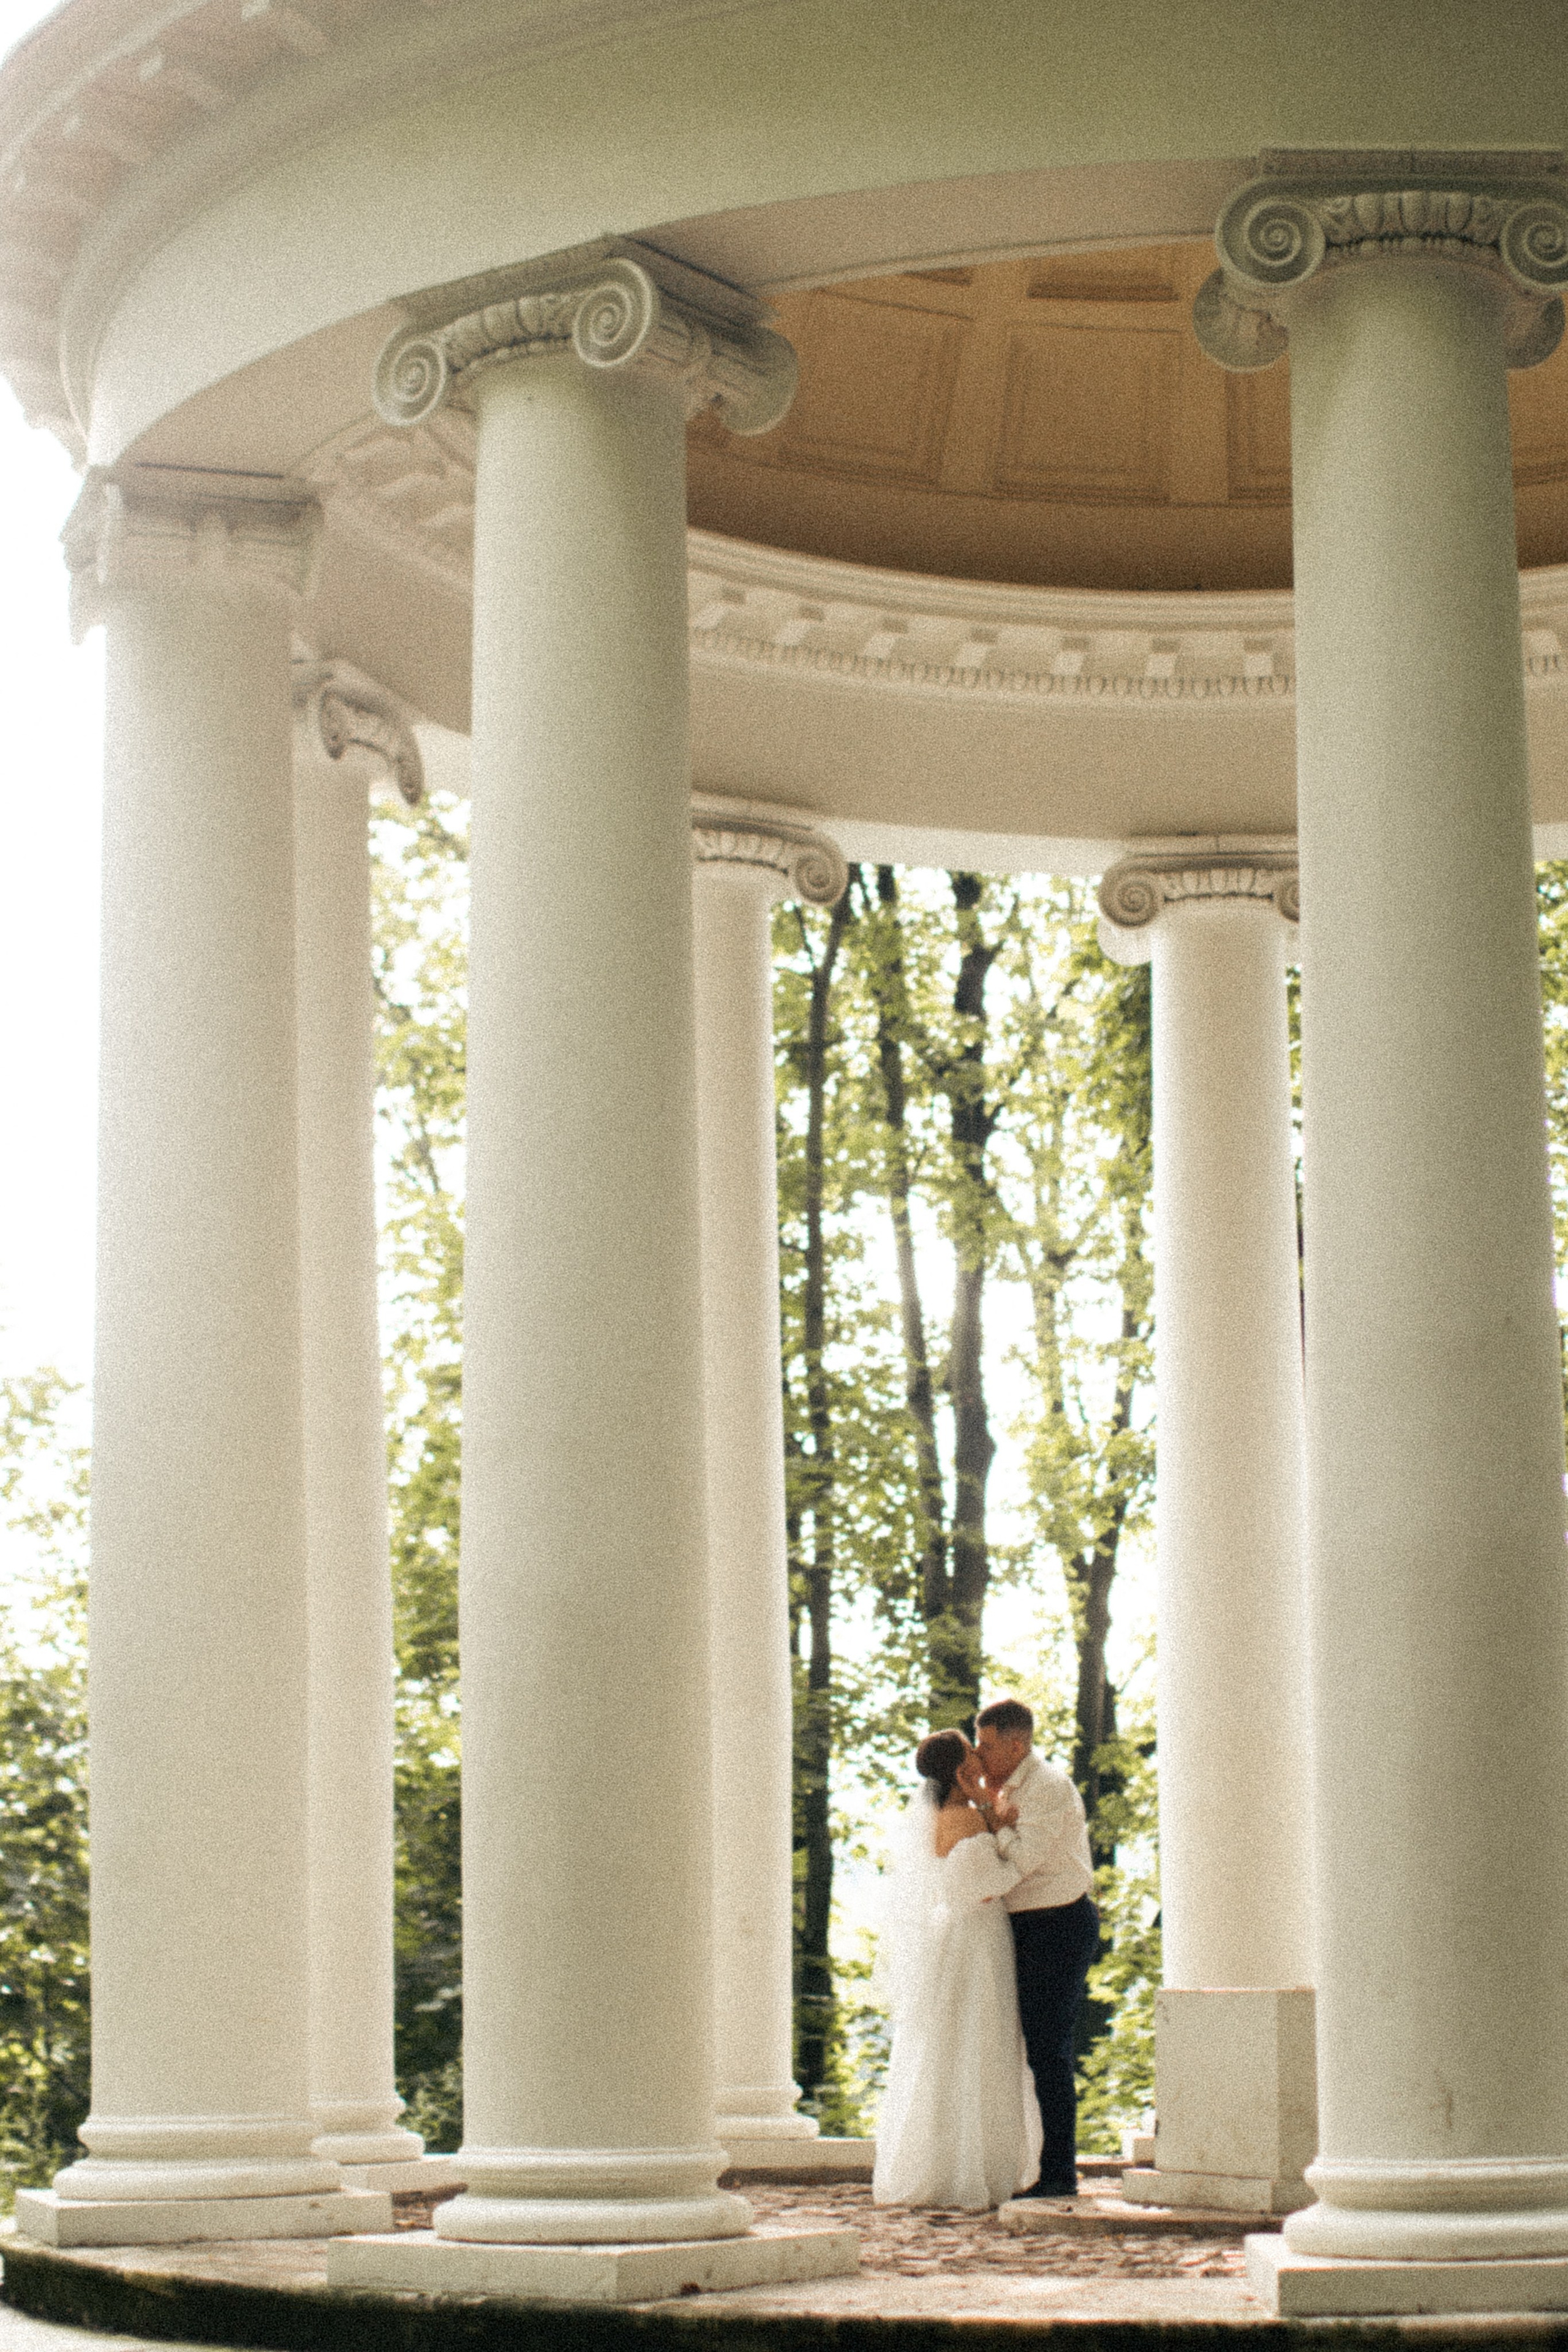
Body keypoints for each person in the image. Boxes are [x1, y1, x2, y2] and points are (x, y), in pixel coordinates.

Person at [872, 1727, 1042, 2211]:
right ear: (960, 1768)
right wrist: (994, 1816)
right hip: (980, 1937)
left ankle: (947, 2163)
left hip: (955, 1936)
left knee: (953, 2044)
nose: (979, 1755)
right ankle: (976, 2169)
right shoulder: (966, 1819)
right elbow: (1002, 1876)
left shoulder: (945, 1817)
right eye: (972, 1751)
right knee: (981, 2040)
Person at [958, 1697, 1099, 2199]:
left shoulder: (1048, 1788)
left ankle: (1059, 2172)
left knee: (1049, 2049)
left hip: (1058, 1923)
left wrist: (990, 1818)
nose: (979, 1754)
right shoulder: (1005, 1789)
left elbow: (1021, 1862)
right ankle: (1029, 2162)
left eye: (987, 1745)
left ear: (1017, 1746)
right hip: (1023, 1925)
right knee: (1022, 2048)